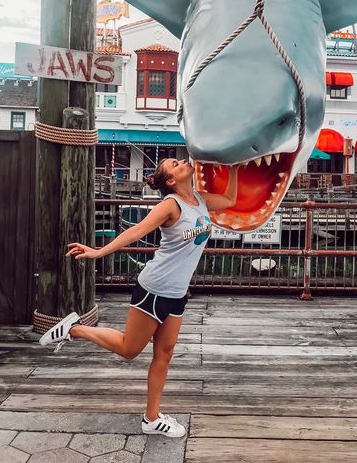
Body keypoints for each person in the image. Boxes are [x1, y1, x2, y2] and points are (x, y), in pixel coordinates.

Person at [39, 158, 239, 438]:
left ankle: (152, 419)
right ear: (171, 180)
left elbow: (230, 198)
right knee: (129, 350)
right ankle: (74, 329)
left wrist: (236, 164)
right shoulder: (171, 205)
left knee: (164, 355)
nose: (182, 161)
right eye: (175, 163)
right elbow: (136, 230)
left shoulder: (199, 199)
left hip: (177, 294)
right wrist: (98, 251)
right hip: (154, 289)